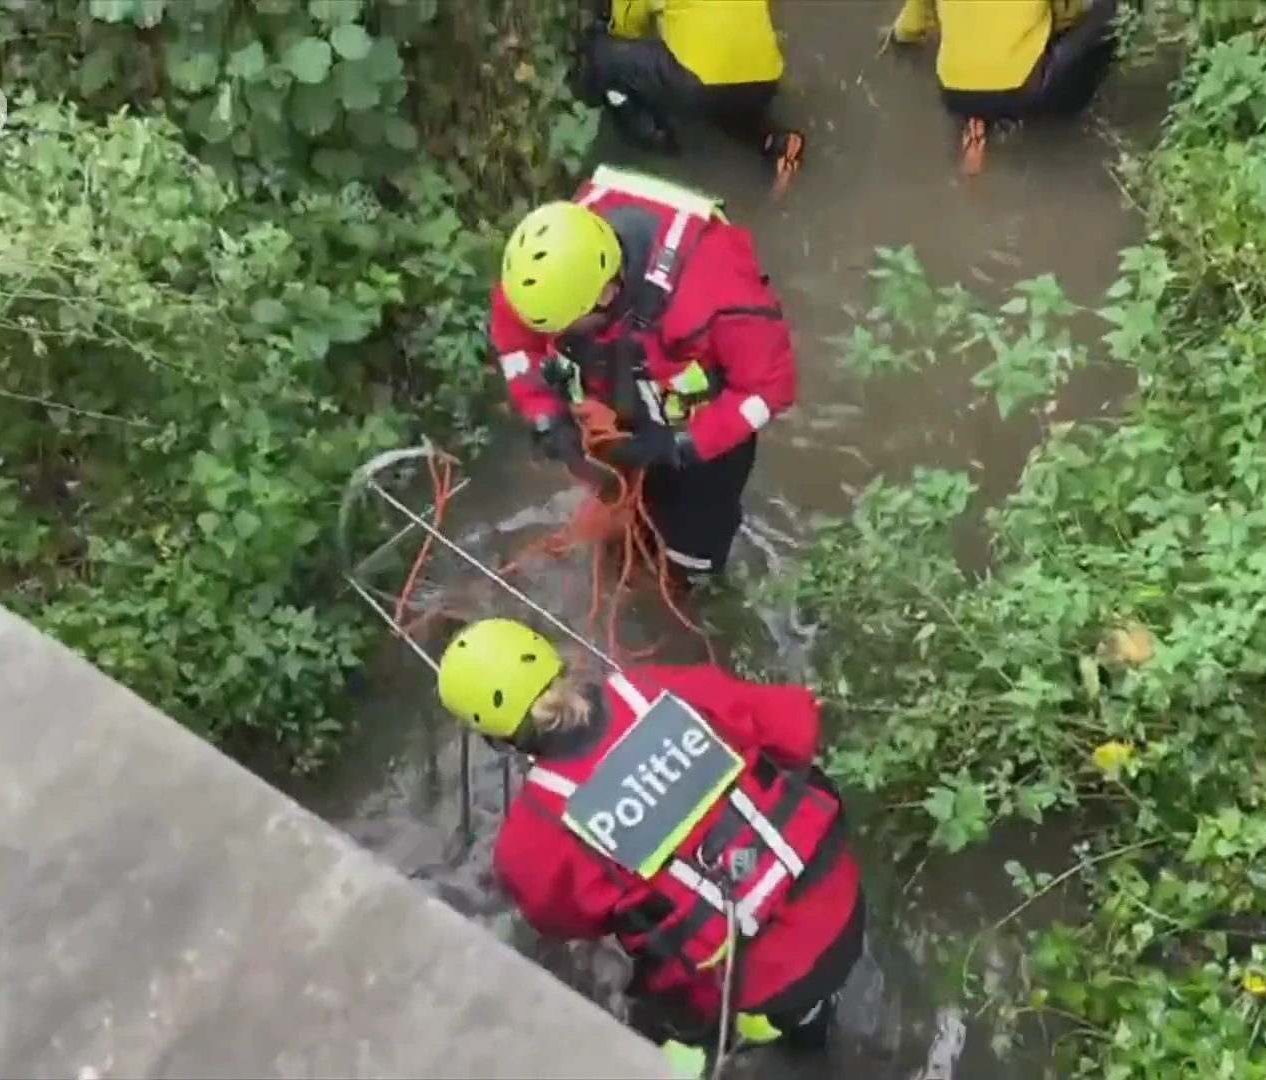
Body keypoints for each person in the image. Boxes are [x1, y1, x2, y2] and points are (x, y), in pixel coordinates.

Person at [437, 618, 866, 1074]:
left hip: (758, 977)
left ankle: (700, 1048)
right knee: (802, 990)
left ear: (499, 740)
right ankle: (809, 1029)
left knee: (662, 1004)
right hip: (840, 899)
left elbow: (561, 920)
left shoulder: (536, 833)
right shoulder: (655, 688)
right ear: (557, 659)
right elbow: (792, 726)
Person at [489, 163, 798, 589]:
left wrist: (682, 446)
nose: (553, 337)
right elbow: (517, 348)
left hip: (703, 434)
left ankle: (687, 591)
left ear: (607, 293)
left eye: (564, 326)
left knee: (690, 557)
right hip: (620, 399)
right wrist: (547, 415)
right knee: (618, 528)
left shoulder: (715, 293)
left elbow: (770, 388)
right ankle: (628, 538)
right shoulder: (544, 280)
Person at [576, 0, 807, 195]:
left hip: (702, 85)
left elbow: (625, 30)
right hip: (766, 76)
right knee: (720, 85)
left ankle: (654, 140)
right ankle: (771, 139)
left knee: (600, 53)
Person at [889, 0, 1119, 174]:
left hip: (954, 95)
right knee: (1107, 12)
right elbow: (1070, 16)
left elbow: (906, 31)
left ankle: (975, 124)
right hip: (1024, 92)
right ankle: (1061, 124)